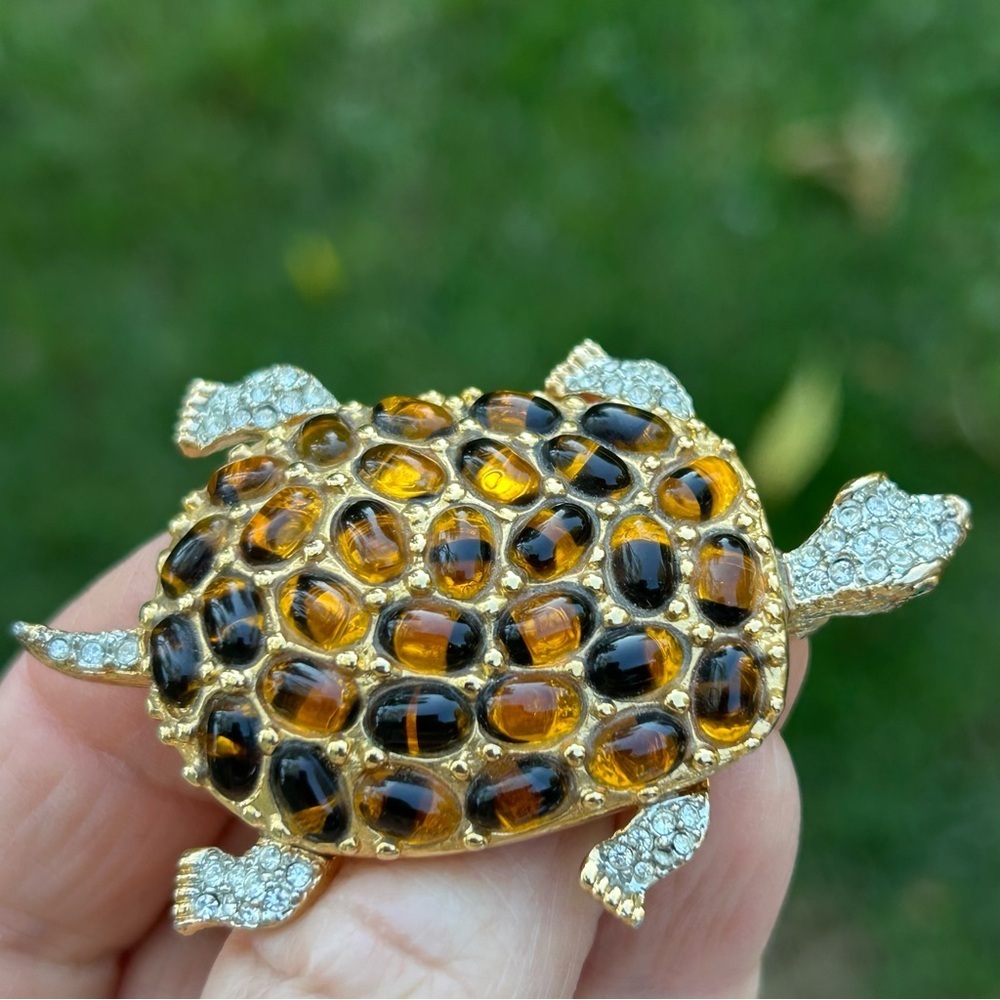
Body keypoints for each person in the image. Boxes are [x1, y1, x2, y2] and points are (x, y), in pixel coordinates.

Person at [0, 536, 807, 998]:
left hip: (359, 593)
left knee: (330, 801)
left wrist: (627, 866)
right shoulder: (696, 731)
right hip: (362, 650)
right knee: (336, 804)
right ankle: (264, 874)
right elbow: (675, 807)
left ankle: (262, 874)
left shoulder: (689, 525)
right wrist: (623, 868)